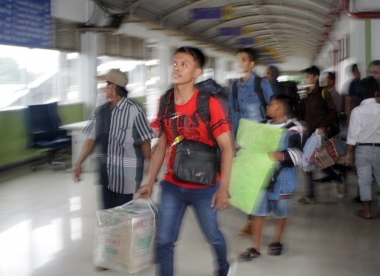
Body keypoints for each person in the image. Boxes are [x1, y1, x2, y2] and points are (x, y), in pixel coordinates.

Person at [137, 46, 234, 276]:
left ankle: (223, 268)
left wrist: (224, 188)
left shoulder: (209, 104)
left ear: (196, 72)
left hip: (205, 187)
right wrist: (150, 180)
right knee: (164, 240)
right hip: (172, 183)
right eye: (175, 63)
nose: (177, 67)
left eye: (184, 64)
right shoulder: (166, 102)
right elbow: (162, 144)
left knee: (213, 236)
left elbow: (227, 148)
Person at [73, 68, 154, 210]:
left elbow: (144, 141)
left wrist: (151, 168)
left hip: (127, 175)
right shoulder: (101, 111)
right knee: (107, 215)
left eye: (106, 85)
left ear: (114, 86)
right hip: (106, 174)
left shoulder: (135, 110)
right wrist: (79, 162)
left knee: (124, 215)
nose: (104, 89)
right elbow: (91, 139)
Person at [239, 94, 303, 260]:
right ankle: (256, 247)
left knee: (281, 211)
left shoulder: (293, 128)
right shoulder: (262, 125)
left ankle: (276, 241)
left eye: (270, 105)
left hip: (282, 180)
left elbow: (297, 153)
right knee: (258, 212)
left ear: (279, 108)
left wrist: (281, 155)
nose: (267, 107)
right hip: (261, 178)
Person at [229, 48, 275, 236]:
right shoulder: (233, 86)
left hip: (261, 138)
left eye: (243, 59)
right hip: (244, 139)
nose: (240, 63)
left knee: (259, 179)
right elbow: (232, 114)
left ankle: (254, 219)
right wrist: (232, 141)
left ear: (252, 63)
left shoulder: (262, 84)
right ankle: (255, 215)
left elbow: (273, 109)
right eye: (238, 59)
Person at [297, 65, 345, 204]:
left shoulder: (323, 93)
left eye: (308, 76)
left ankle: (337, 178)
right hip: (308, 132)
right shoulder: (305, 93)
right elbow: (302, 111)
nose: (305, 79)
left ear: (315, 77)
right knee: (306, 163)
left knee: (320, 162)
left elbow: (332, 112)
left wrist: (323, 126)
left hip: (320, 133)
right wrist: (297, 119)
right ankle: (310, 195)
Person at [346, 76, 380, 219]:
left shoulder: (357, 111)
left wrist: (349, 154)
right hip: (379, 149)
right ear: (376, 92)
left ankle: (367, 212)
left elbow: (352, 137)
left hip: (362, 150)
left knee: (364, 181)